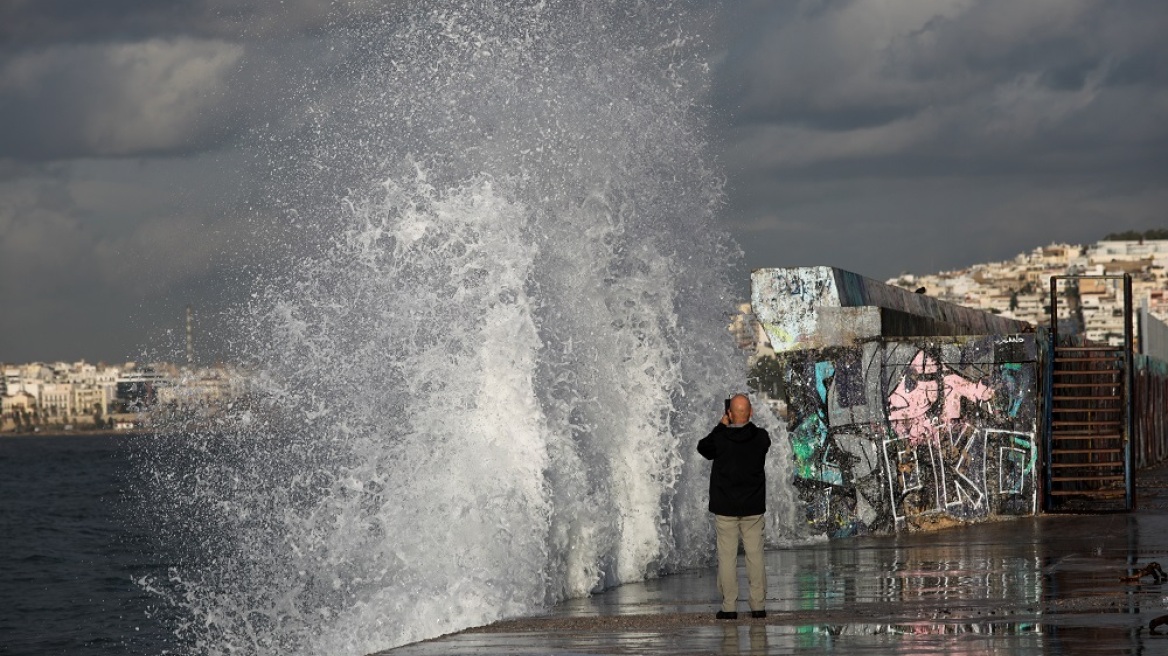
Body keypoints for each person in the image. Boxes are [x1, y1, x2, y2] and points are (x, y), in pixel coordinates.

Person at [697, 393, 770, 620]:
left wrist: (722, 425)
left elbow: (703, 447)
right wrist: (741, 417)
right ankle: (757, 606)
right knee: (755, 556)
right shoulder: (761, 437)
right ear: (751, 413)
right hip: (753, 507)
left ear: (729, 414)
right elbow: (753, 434)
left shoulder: (720, 439)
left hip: (726, 507)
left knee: (727, 558)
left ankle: (729, 607)